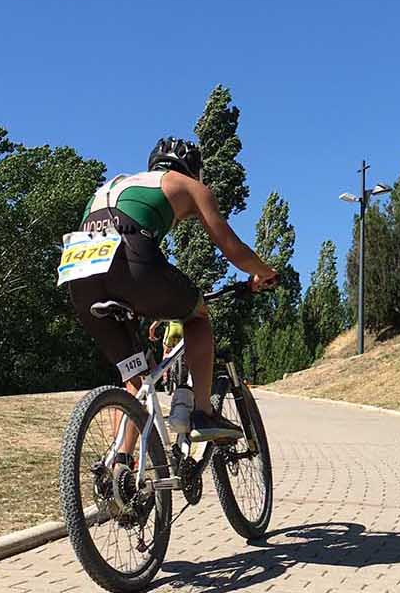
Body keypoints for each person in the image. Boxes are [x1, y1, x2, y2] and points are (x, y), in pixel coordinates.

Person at [64, 137, 277, 444]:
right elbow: (233, 249)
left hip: (80, 275)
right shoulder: (188, 185)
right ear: (193, 170)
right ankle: (202, 412)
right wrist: (264, 273)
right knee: (197, 316)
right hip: (129, 260)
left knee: (136, 377)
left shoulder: (117, 184)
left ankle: (119, 466)